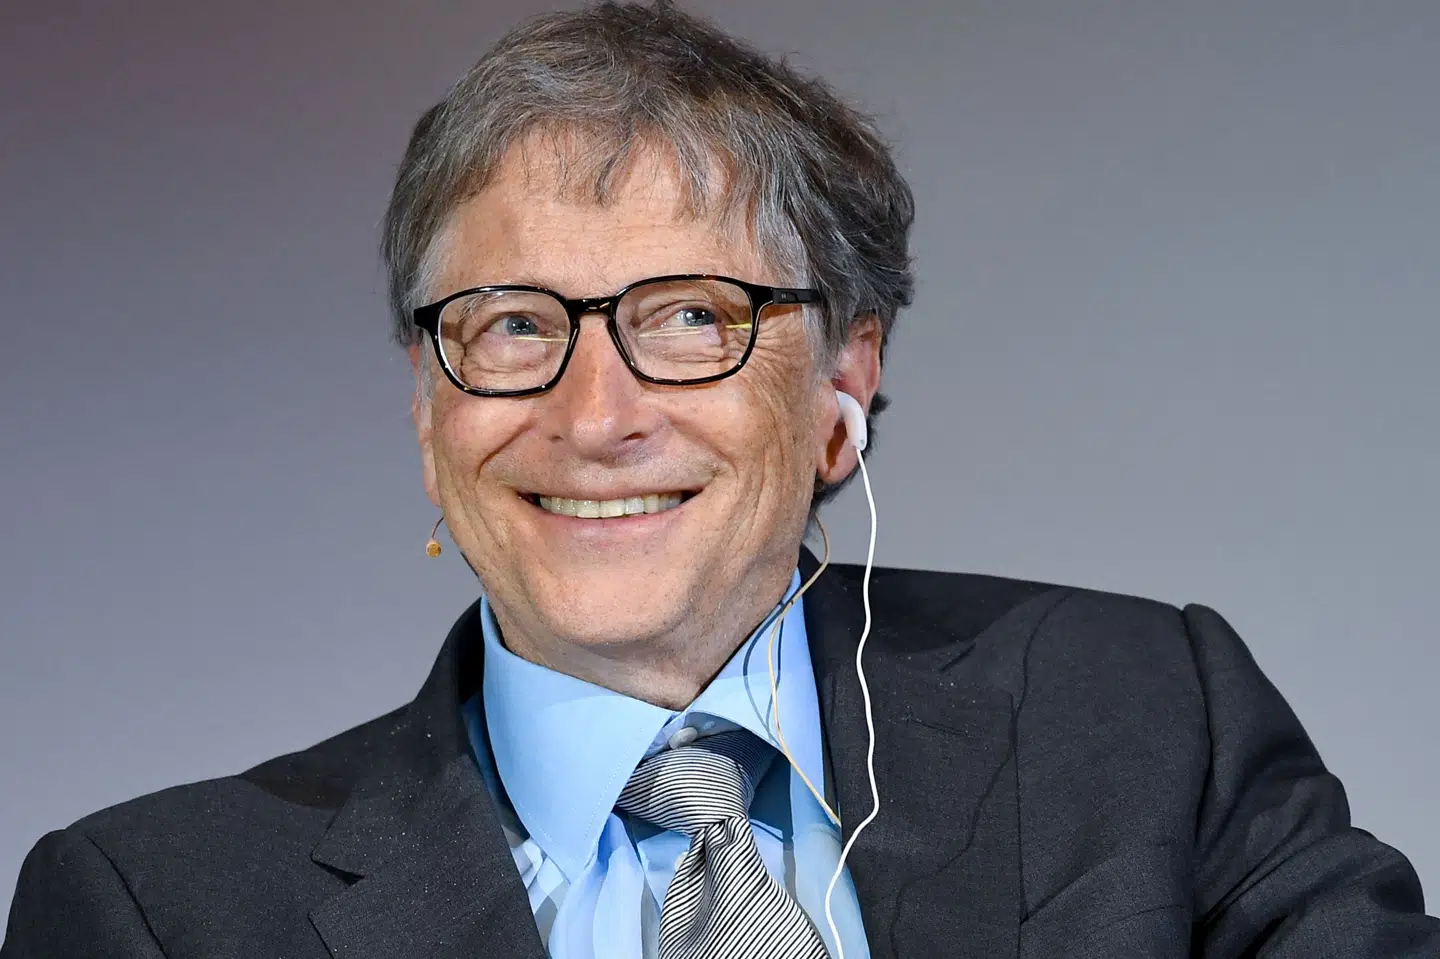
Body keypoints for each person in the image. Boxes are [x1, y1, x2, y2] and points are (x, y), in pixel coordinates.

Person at [4, 3, 1437, 957]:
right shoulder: (158, 911)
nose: (594, 416)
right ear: (432, 412)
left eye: (693, 317)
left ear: (842, 385)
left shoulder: (1138, 714)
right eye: (514, 326)